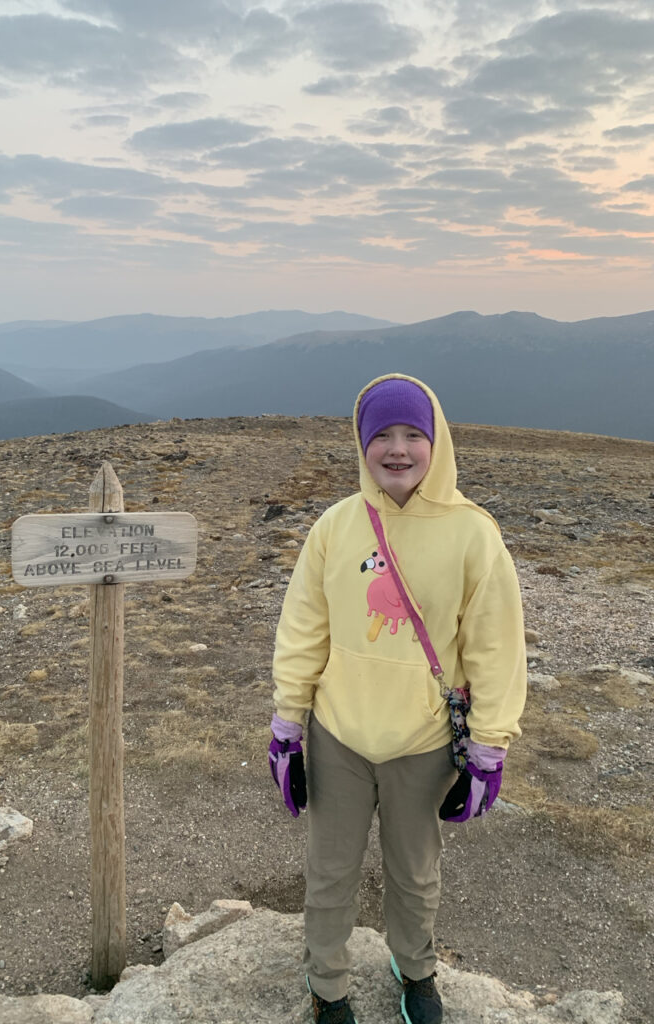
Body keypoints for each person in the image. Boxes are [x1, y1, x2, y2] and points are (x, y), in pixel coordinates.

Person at [268, 374, 527, 1024]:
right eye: (381, 434)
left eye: (413, 433)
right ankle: (328, 986)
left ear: (435, 440)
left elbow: (497, 647)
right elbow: (304, 628)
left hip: (423, 743)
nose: (398, 448)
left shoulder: (473, 536)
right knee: (330, 874)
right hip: (338, 738)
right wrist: (287, 723)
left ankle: (415, 970)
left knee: (414, 875)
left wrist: (489, 749)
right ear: (362, 444)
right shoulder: (335, 527)